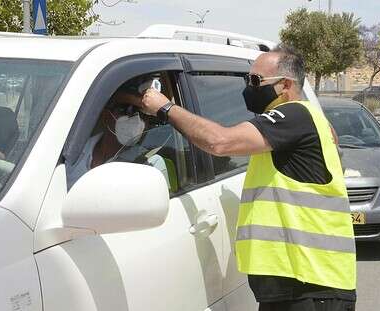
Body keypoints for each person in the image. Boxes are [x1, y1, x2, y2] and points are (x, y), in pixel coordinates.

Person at [137, 44, 356, 311]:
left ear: (285, 85)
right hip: (298, 285)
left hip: (310, 286)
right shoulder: (305, 122)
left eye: (255, 80)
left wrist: (166, 108)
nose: (248, 87)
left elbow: (219, 142)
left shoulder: (294, 115)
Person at [0, 85, 169, 187]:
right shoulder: (67, 152)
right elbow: (30, 180)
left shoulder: (149, 164)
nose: (134, 118)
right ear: (104, 112)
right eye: (125, 109)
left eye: (140, 112)